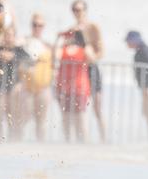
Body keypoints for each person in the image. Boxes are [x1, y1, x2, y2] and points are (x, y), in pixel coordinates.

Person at [68, 0, 107, 141]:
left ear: (85, 10)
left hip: (91, 68)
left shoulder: (93, 27)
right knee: (79, 108)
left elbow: (101, 51)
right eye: (75, 10)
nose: (78, 13)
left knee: (97, 107)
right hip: (78, 70)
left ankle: (103, 139)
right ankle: (81, 140)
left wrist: (91, 56)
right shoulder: (72, 29)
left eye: (80, 9)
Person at [54, 28, 95, 143]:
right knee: (66, 117)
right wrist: (58, 39)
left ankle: (83, 143)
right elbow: (55, 56)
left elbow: (92, 58)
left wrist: (84, 41)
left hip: (79, 89)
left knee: (80, 118)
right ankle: (68, 143)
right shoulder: (63, 50)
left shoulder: (83, 49)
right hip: (64, 88)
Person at [20, 13, 54, 141]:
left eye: (40, 25)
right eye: (35, 25)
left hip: (43, 87)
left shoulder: (47, 45)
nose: (37, 28)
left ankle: (41, 145)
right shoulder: (24, 41)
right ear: (31, 26)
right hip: (27, 86)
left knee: (41, 119)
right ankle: (18, 142)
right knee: (24, 116)